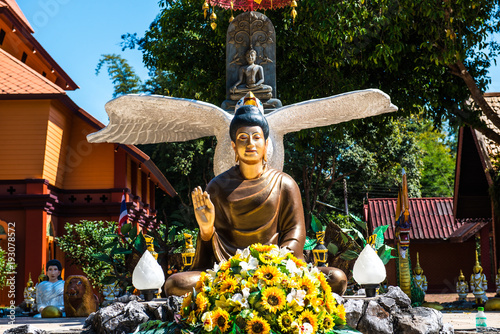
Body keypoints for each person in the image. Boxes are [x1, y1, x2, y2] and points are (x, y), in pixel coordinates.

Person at [165, 99, 347, 296]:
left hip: (276, 269)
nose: (250, 143)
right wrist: (207, 229)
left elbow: (294, 234)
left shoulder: (284, 184)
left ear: (266, 143)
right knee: (175, 284)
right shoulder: (217, 187)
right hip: (229, 272)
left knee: (336, 278)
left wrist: (275, 263)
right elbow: (208, 259)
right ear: (233, 146)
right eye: (243, 138)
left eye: (256, 137)